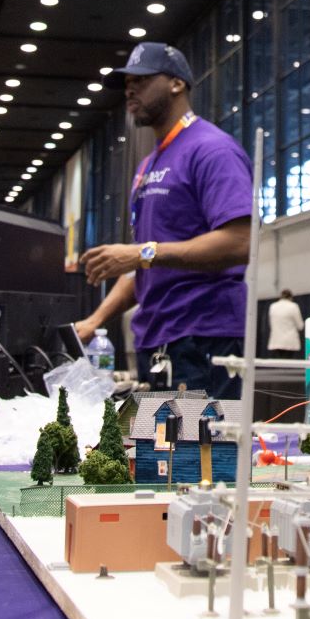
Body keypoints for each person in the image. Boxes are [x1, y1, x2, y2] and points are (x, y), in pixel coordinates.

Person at [77, 43, 253, 398]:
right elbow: (145, 263)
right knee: (161, 453)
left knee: (202, 453)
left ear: (176, 84)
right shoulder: (146, 167)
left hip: (203, 339)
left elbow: (241, 242)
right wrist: (95, 321)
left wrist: (142, 253)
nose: (130, 89)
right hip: (156, 341)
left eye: (141, 80)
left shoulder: (212, 149)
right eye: (127, 82)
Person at [267, 288, 306, 353]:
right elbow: (300, 326)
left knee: (277, 362)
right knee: (288, 362)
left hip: (276, 342)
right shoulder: (293, 306)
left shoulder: (273, 306)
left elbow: (271, 324)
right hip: (290, 343)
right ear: (291, 297)